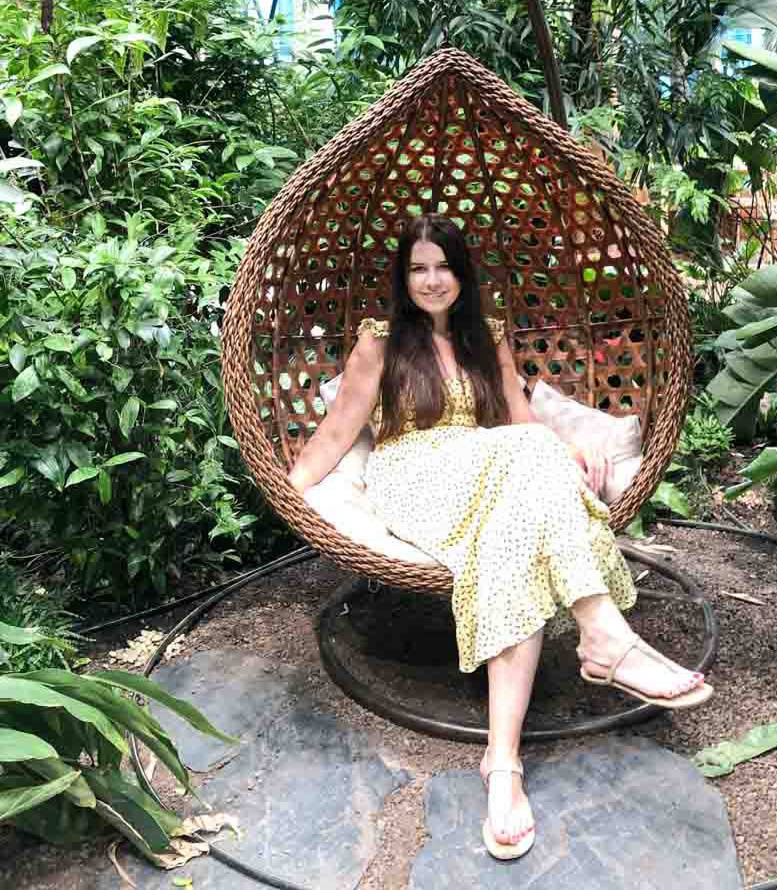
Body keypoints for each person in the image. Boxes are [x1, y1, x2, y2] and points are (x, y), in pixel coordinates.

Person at [288, 214, 713, 861]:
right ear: (404, 278)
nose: (433, 280)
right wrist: (293, 489)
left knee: (514, 531)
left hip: (489, 469)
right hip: (414, 477)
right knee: (524, 452)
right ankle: (603, 634)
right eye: (419, 268)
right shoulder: (380, 341)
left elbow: (521, 420)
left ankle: (503, 763)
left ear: (463, 274)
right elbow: (338, 430)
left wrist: (570, 450)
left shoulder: (488, 338)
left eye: (444, 266)